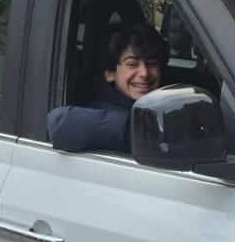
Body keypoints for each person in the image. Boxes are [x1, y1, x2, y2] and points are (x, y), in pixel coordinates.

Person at [48, 22, 167, 152]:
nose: (144, 73)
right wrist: (142, 132)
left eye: (151, 63)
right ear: (110, 73)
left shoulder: (166, 102)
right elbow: (59, 123)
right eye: (132, 64)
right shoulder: (96, 110)